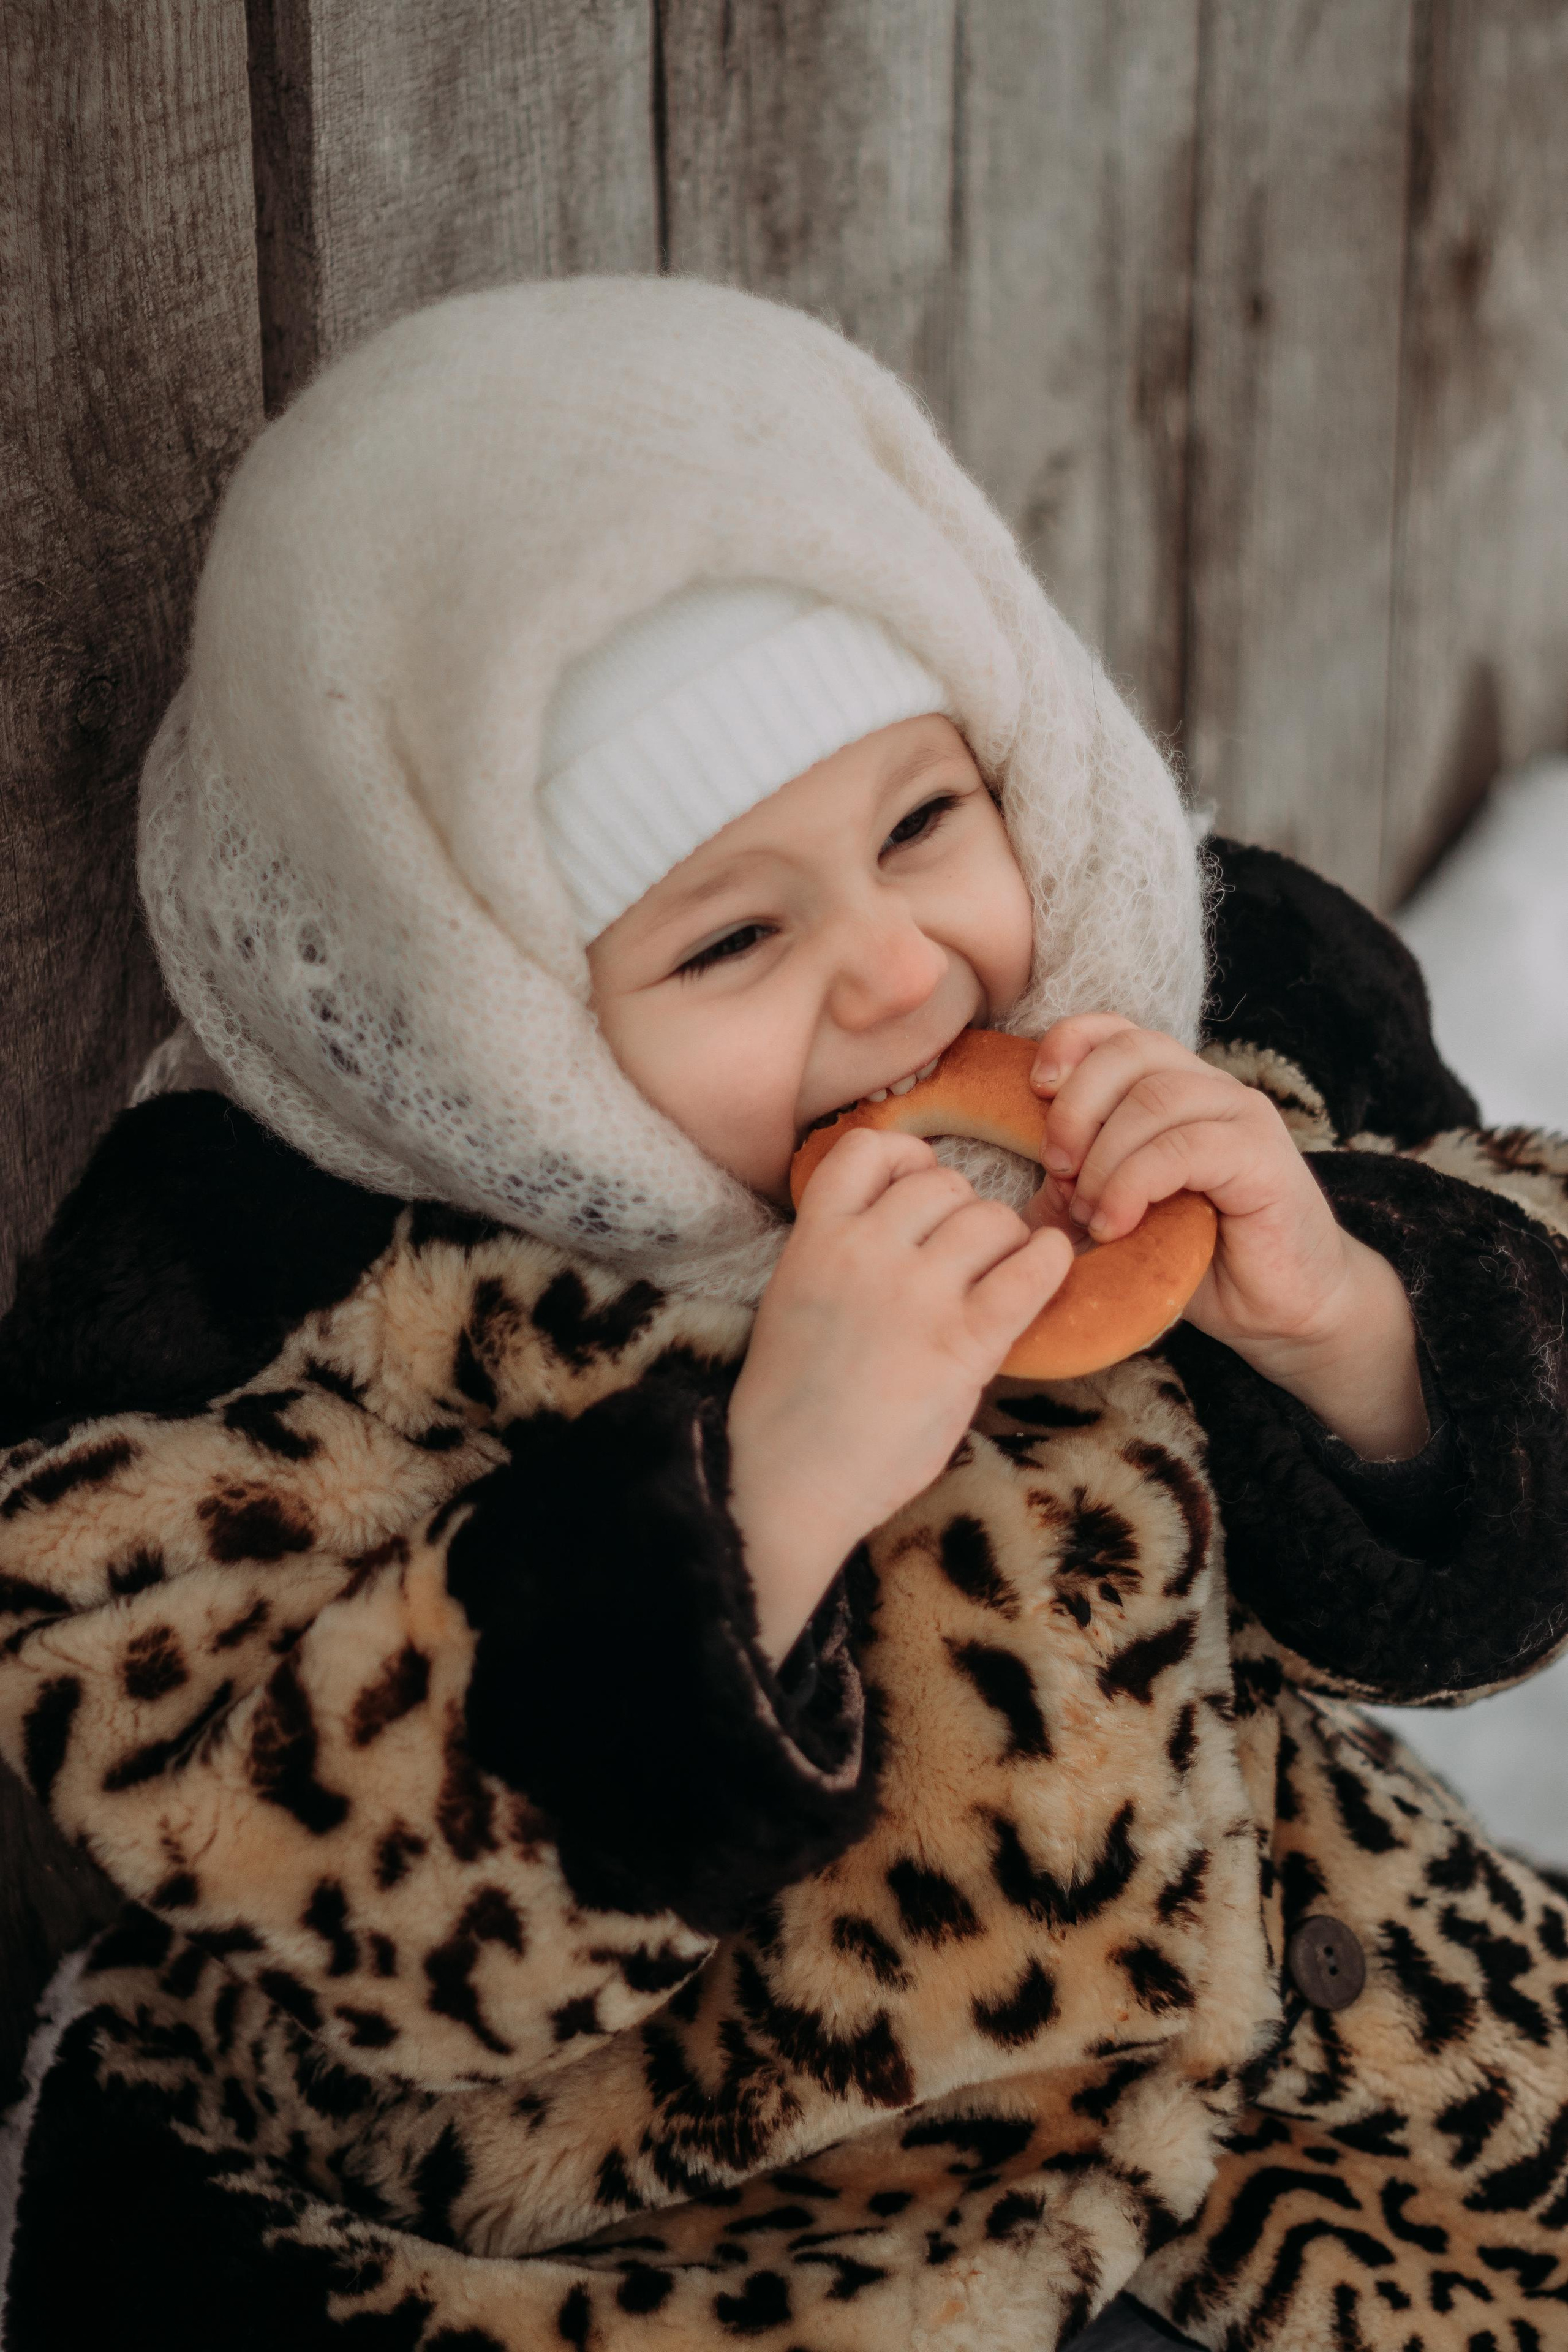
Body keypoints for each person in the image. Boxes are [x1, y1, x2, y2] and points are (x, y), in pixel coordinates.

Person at [2, 279, 1566, 2352]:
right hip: (710, 2219)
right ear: (500, 1023)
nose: (903, 974)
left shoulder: (1189, 1042)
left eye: (927, 820)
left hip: (1288, 2057)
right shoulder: (298, 1299)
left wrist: (1347, 1327)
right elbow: (294, 1867)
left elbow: (1509, 1542)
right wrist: (758, 1505)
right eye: (734, 934)